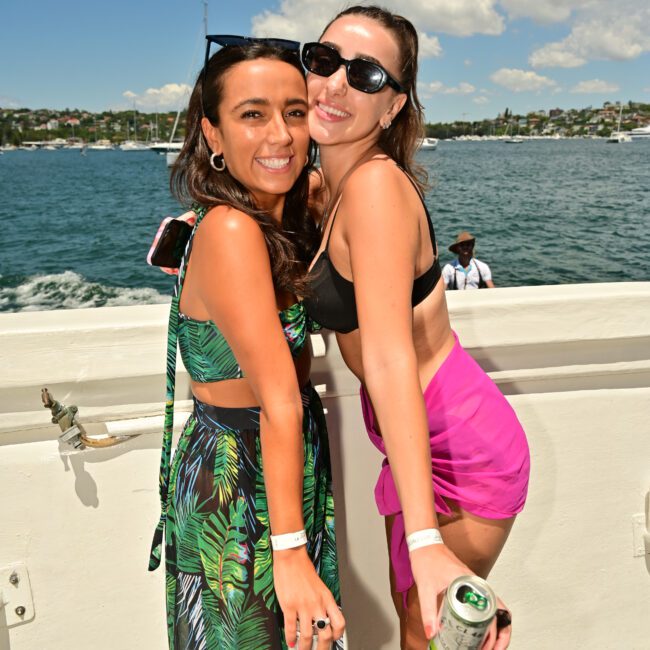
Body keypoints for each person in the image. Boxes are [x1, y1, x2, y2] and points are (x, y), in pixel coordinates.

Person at [301, 6, 530, 649]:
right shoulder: (326, 185)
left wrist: (427, 540)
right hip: (412, 441)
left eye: (367, 74)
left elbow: (390, 358)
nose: (337, 83)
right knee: (414, 627)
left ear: (394, 106)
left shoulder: (374, 189)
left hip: (460, 449)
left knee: (428, 632)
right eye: (323, 61)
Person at [148, 38, 344, 650]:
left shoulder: (271, 215)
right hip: (243, 471)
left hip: (279, 458)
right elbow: (280, 398)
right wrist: (288, 554)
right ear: (212, 133)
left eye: (294, 111)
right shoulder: (231, 229)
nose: (280, 135)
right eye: (252, 114)